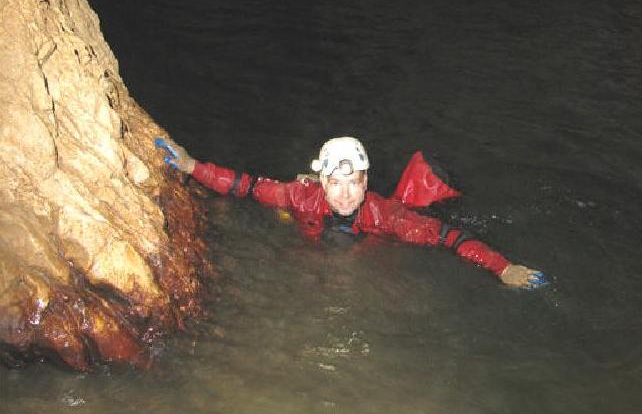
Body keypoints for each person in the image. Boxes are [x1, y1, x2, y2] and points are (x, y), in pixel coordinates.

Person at [155, 136, 547, 289]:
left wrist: (503, 268)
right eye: (335, 184)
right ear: (322, 184)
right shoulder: (301, 195)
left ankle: (435, 185)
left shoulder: (389, 217)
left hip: (374, 251)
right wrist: (192, 166)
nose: (344, 194)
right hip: (319, 248)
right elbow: (247, 186)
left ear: (365, 183)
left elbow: (453, 239)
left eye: (353, 183)